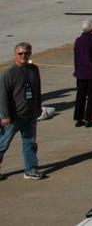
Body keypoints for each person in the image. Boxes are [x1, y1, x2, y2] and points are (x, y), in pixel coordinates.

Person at [0, 42, 45, 179]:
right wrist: (5, 115)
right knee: (2, 144)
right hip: (13, 117)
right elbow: (2, 96)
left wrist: (38, 106)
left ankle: (30, 170)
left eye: (26, 53)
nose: (23, 56)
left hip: (30, 115)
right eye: (20, 53)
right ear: (15, 55)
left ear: (30, 53)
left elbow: (37, 89)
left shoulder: (34, 70)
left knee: (30, 143)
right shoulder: (9, 74)